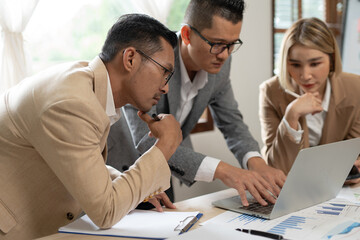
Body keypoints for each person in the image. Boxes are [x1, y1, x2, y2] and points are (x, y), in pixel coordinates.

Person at [0, 14, 182, 239]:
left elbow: (75, 158)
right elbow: (106, 212)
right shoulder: (73, 103)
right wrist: (164, 146)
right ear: (131, 59)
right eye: (164, 71)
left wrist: (128, 186)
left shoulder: (86, 87)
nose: (166, 88)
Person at [107, 0, 286, 208]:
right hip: (117, 170)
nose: (225, 55)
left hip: (159, 173)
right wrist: (224, 170)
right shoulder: (151, 59)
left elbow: (232, 122)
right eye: (217, 44)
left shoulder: (220, 66)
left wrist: (257, 163)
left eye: (231, 45)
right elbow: (146, 139)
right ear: (186, 35)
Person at [259, 17, 360, 183]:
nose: (305, 76)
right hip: (290, 189)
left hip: (340, 190)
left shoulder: (356, 88)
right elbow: (276, 165)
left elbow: (353, 155)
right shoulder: (270, 92)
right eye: (295, 65)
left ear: (332, 59)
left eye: (314, 64)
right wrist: (291, 115)